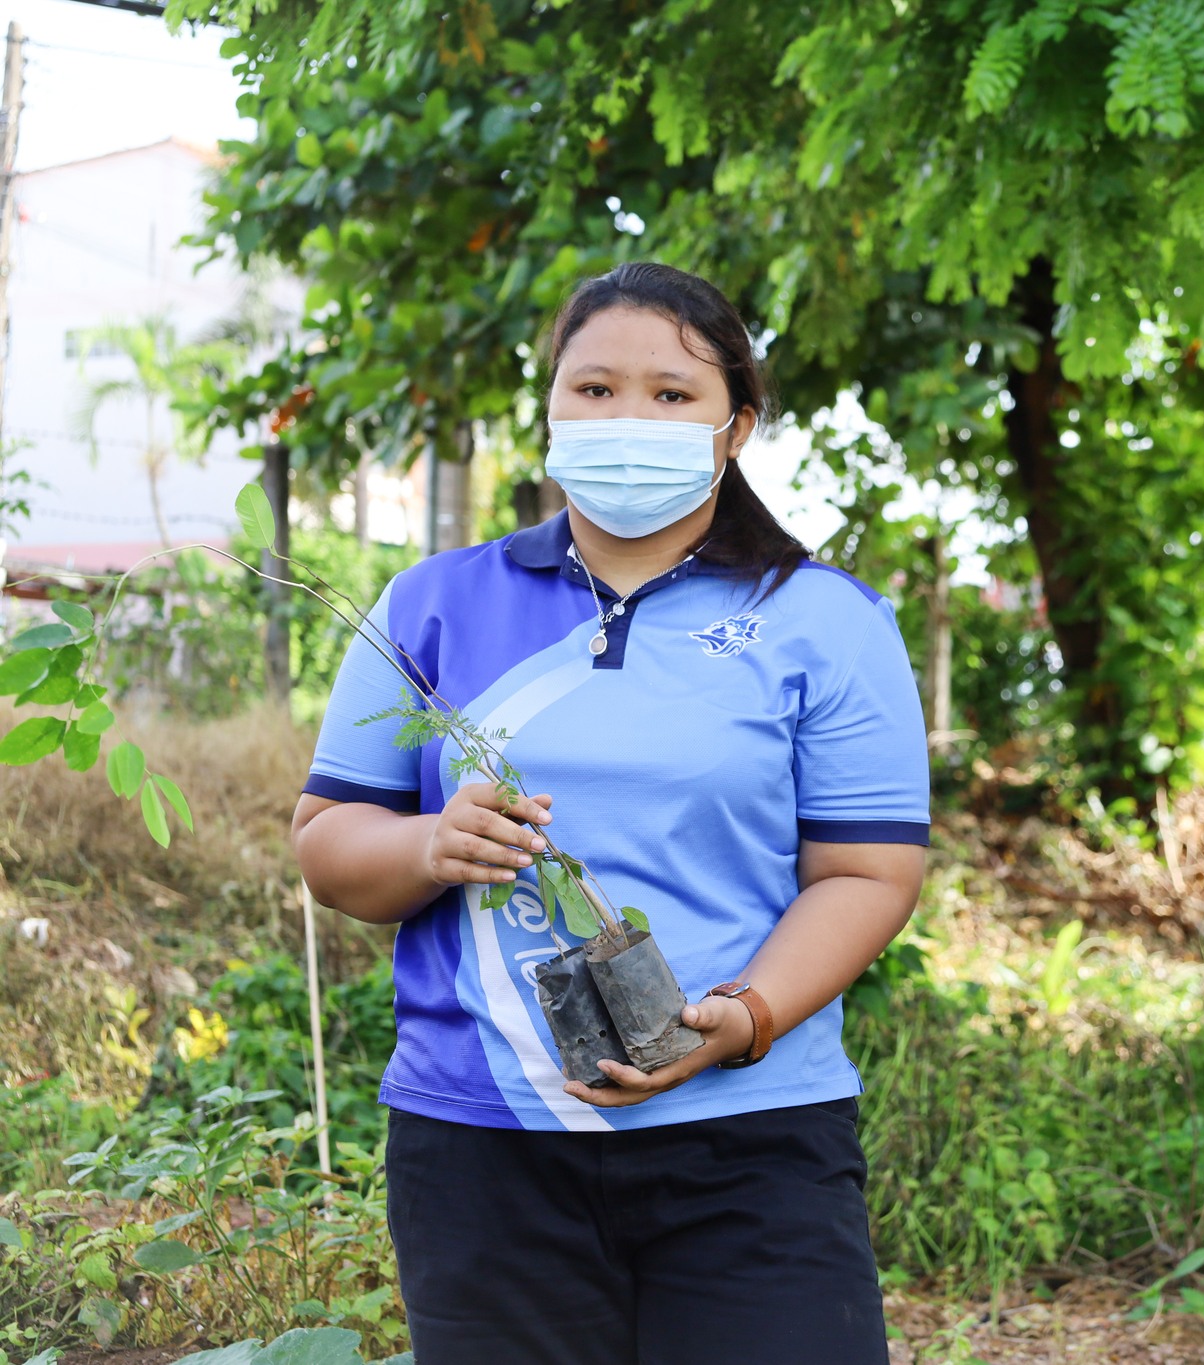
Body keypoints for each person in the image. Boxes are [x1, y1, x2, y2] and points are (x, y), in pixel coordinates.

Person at [292, 262, 928, 1365]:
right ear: (549, 410)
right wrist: (429, 846)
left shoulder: (826, 621)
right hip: (481, 1141)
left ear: (733, 426)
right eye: (593, 389)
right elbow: (329, 844)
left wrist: (746, 1016)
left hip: (753, 1138)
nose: (628, 416)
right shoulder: (430, 606)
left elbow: (866, 874)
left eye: (671, 395)